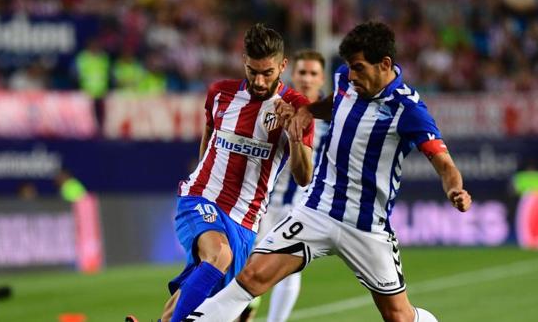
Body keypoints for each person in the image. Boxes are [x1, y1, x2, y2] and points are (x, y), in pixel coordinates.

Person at [186, 21, 472, 322]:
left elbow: (444, 163)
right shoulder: (345, 80)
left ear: (385, 64)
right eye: (349, 67)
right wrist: (308, 110)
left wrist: (455, 189)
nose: (352, 75)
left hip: (366, 228)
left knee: (398, 316)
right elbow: (335, 104)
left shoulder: (409, 110)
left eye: (359, 68)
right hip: (317, 211)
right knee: (251, 278)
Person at [129, 23, 315, 322]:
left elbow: (304, 176)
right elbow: (207, 144)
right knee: (220, 256)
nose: (258, 79)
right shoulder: (220, 93)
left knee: (207, 294)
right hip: (200, 199)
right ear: (244, 60)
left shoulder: (297, 107)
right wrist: (200, 185)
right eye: (253, 70)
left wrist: (294, 132)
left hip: (245, 222)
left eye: (267, 72)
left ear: (283, 65)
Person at [241, 49, 329, 322]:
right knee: (248, 264)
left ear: (322, 78)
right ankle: (244, 309)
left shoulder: (331, 118)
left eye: (313, 73)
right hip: (264, 203)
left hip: (301, 206)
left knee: (289, 268)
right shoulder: (278, 106)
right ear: (293, 73)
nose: (307, 78)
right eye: (302, 72)